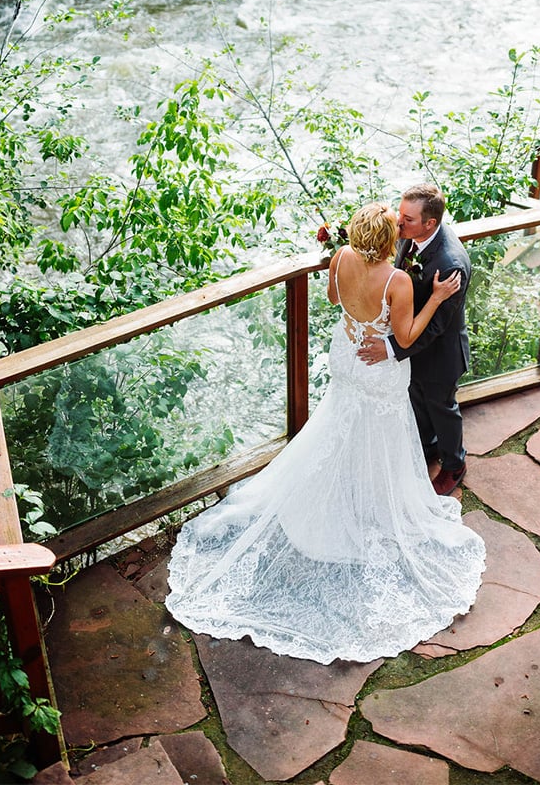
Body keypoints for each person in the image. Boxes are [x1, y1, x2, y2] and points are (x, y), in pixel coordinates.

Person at [165, 203, 485, 665]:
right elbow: (409, 337)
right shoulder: (397, 282)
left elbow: (335, 300)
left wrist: (360, 314)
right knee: (377, 435)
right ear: (387, 242)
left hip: (348, 355)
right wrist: (434, 298)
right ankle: (371, 502)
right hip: (378, 368)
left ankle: (340, 493)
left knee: (339, 427)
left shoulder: (339, 258)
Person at [358, 183, 471, 496]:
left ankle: (453, 464)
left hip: (440, 354)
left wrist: (391, 349)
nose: (398, 224)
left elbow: (436, 327)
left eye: (407, 219)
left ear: (429, 224)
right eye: (400, 215)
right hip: (414, 348)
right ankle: (425, 449)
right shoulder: (410, 236)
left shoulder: (450, 264)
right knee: (418, 403)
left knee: (442, 408)